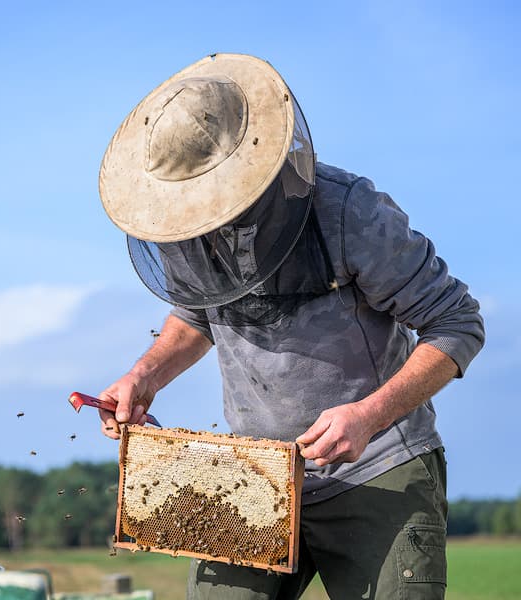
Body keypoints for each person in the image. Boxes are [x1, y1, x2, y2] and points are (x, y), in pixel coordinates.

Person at [95, 53, 484, 599]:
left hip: (377, 469)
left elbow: (456, 324)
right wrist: (145, 375)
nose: (205, 219)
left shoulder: (350, 212)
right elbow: (197, 313)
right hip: (249, 481)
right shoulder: (184, 227)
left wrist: (368, 416)